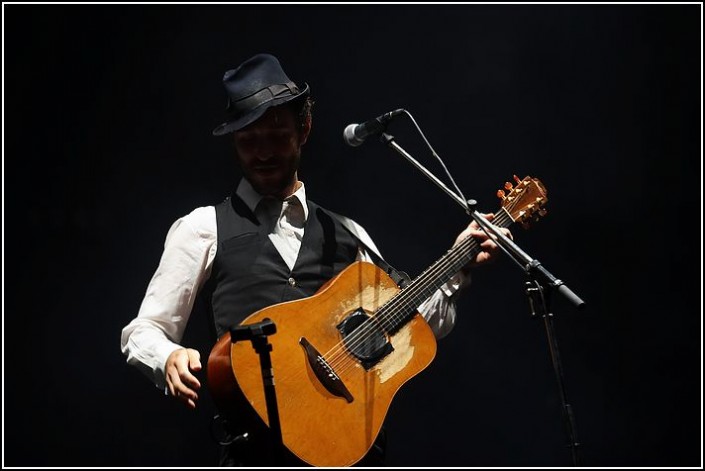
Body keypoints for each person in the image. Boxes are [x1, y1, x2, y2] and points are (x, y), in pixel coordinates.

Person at [120, 53, 511, 467]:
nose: (263, 153)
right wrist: (168, 358)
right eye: (248, 141)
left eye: (276, 137)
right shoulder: (202, 228)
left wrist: (459, 264)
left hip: (349, 450)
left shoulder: (347, 233)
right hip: (257, 453)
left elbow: (417, 325)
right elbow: (142, 331)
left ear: (303, 130)